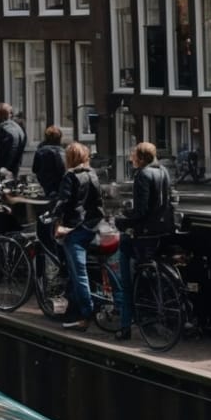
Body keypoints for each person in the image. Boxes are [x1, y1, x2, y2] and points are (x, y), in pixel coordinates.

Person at [114, 141, 174, 342]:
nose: (131, 157)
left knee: (125, 271)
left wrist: (123, 220)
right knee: (150, 271)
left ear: (139, 158)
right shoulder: (163, 171)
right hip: (162, 231)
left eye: (133, 155)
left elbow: (141, 211)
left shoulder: (142, 175)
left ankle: (124, 327)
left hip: (145, 234)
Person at [53, 142, 103, 330]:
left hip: (74, 229)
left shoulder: (70, 176)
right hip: (92, 227)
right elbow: (98, 201)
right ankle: (74, 309)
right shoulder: (92, 174)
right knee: (87, 272)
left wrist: (55, 218)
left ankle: (85, 316)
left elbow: (64, 202)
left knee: (79, 274)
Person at [33, 125, 67, 198]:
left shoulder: (40, 151)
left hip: (45, 183)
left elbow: (35, 169)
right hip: (60, 185)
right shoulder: (63, 152)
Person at [0, 103, 27, 177]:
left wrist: (2, 168)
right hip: (15, 169)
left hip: (4, 171)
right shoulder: (18, 128)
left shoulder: (4, 128)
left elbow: (2, 152)